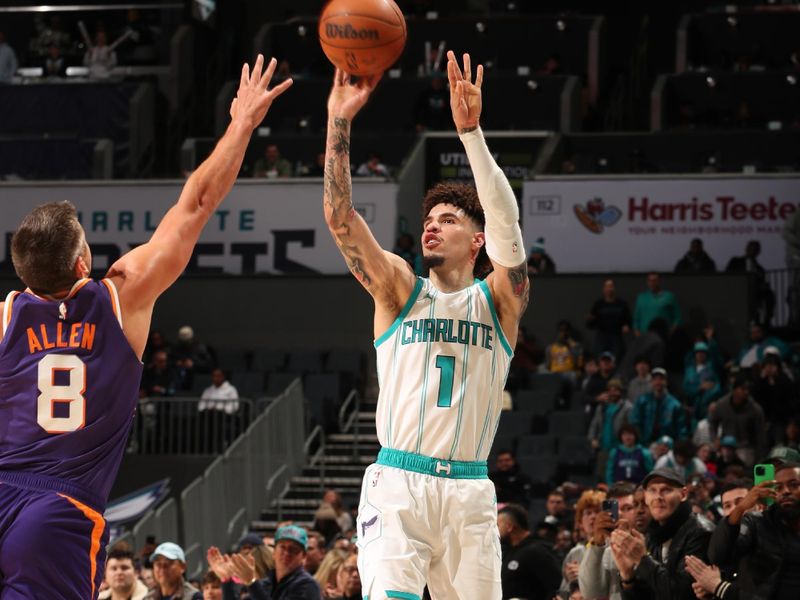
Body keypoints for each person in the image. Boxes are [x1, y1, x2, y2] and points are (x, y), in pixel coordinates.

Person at [0, 54, 291, 599]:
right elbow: (198, 202)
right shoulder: (122, 293)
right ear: (82, 263)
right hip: (56, 512)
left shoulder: (4, 317)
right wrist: (241, 123)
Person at [322, 51, 529, 600]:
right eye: (429, 220)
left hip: (469, 488)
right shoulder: (397, 289)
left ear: (477, 240)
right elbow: (340, 220)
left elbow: (508, 222)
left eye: (449, 220)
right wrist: (339, 120)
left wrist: (471, 135)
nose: (432, 228)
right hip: (399, 484)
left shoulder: (501, 301)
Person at [610, 467, 714, 600]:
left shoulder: (701, 532)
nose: (658, 497)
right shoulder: (653, 534)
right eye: (652, 490)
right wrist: (627, 576)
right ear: (646, 496)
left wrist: (643, 560)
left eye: (666, 490)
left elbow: (682, 595)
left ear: (683, 494)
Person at [708, 462, 800, 599]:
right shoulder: (756, 523)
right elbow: (720, 556)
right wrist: (741, 508)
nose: (785, 491)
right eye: (778, 487)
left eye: (793, 485)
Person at [217, 525, 321, 600]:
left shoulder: (307, 585)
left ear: (303, 556)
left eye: (293, 549)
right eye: (282, 547)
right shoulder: (266, 584)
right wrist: (226, 580)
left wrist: (251, 582)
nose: (287, 553)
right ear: (274, 552)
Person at [578, 482, 639, 600]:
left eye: (627, 508)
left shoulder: (650, 543)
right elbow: (591, 593)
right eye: (615, 509)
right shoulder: (605, 549)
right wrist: (597, 543)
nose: (620, 513)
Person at [496, 503, 561, 600]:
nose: (496, 530)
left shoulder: (536, 551)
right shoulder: (508, 551)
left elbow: (556, 587)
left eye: (498, 525)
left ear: (510, 527)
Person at [709, 376, 766, 467]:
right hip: (726, 444)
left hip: (745, 446)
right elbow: (713, 422)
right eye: (743, 389)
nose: (746, 392)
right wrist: (714, 439)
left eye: (748, 390)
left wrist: (760, 457)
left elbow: (760, 435)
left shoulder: (755, 409)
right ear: (734, 390)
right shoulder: (722, 404)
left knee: (743, 461)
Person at [560, 490, 606, 594]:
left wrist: (584, 574)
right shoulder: (575, 552)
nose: (593, 517)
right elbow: (564, 592)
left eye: (598, 511)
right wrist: (569, 581)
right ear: (580, 522)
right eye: (588, 513)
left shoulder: (612, 548)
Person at [630, 367, 687, 446]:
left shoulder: (675, 404)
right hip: (644, 444)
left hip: (666, 445)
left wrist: (679, 446)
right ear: (651, 382)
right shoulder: (642, 400)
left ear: (666, 382)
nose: (658, 382)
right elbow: (635, 421)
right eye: (655, 379)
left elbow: (681, 429)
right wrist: (639, 440)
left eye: (661, 379)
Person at [587, 278, 632, 359]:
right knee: (600, 359)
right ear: (603, 289)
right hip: (602, 337)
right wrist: (589, 319)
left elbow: (628, 321)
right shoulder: (598, 304)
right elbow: (590, 324)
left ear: (614, 288)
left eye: (611, 286)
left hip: (616, 336)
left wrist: (626, 326)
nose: (609, 289)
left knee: (616, 359)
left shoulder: (622, 304)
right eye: (607, 287)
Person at [683, 342, 722, 423]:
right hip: (692, 407)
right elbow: (685, 389)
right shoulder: (689, 370)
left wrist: (709, 396)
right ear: (695, 354)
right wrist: (699, 388)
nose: (700, 354)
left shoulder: (711, 370)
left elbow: (716, 387)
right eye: (698, 352)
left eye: (703, 352)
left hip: (707, 407)